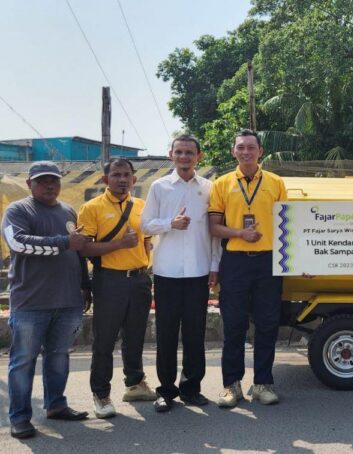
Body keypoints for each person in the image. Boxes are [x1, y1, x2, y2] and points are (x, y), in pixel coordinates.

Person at [1, 162, 91, 438]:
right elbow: (17, 243)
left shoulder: (68, 210)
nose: (49, 185)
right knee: (23, 361)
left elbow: (78, 252)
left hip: (68, 301)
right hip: (31, 302)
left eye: (54, 180)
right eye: (42, 181)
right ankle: (19, 417)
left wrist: (86, 286)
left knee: (58, 357)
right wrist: (64, 242)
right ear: (29, 184)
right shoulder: (17, 210)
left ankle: (56, 405)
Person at [141, 135, 221, 413]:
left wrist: (214, 266)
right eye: (179, 152)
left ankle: (191, 388)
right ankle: (166, 391)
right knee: (165, 334)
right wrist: (170, 223)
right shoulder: (159, 187)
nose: (184, 157)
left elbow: (213, 233)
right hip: (167, 272)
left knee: (195, 333)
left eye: (189, 152)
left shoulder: (210, 187)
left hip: (199, 271)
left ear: (199, 156)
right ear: (170, 154)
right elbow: (145, 225)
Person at [208, 129, 287, 408]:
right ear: (233, 151)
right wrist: (240, 234)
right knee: (234, 326)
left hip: (268, 262)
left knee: (267, 324)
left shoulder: (276, 182)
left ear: (260, 151)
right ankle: (232, 386)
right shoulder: (222, 184)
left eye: (251, 147)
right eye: (240, 147)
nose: (245, 152)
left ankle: (263, 383)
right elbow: (213, 226)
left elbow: (285, 225)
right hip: (236, 262)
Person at [79, 157, 156, 418]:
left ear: (134, 179)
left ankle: (135, 383)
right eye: (116, 175)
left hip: (139, 280)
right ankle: (101, 394)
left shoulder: (142, 206)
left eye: (127, 175)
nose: (122, 180)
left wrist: (145, 268)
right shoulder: (92, 208)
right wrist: (118, 245)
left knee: (135, 336)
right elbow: (84, 248)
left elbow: (146, 242)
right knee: (105, 340)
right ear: (105, 179)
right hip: (108, 280)